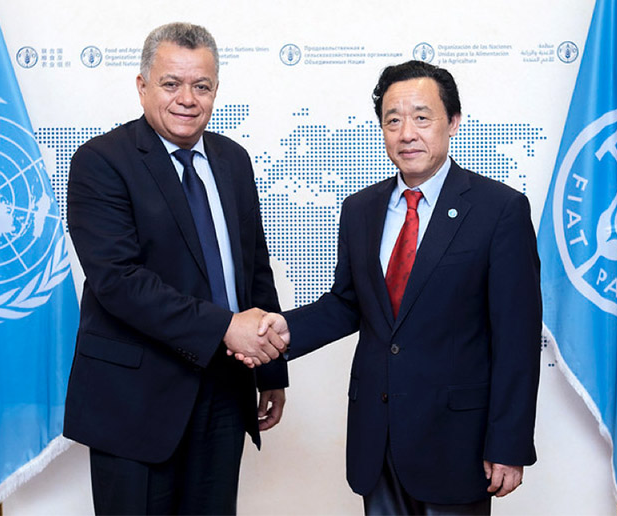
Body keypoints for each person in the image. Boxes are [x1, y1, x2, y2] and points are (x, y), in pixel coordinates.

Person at [247, 60, 542, 515]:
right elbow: (349, 304)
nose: (407, 134)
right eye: (393, 121)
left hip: (457, 444)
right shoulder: (360, 209)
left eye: (422, 117)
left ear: (453, 122)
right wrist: (283, 331)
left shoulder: (499, 210)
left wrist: (509, 442)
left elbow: (517, 338)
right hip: (377, 436)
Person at [63, 22, 288, 515]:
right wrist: (226, 327)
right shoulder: (101, 161)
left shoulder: (233, 160)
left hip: (225, 392)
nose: (187, 99)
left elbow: (253, 269)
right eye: (171, 84)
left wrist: (271, 368)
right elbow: (119, 282)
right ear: (142, 86)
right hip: (134, 400)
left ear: (216, 90)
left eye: (201, 86)